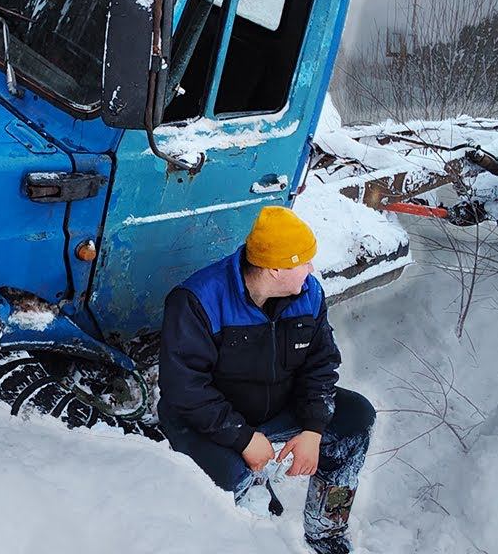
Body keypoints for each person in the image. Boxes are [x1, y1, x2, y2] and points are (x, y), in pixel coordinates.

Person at [158, 206, 375, 554]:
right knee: (232, 481)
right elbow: (184, 389)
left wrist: (313, 428)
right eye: (304, 262)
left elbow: (320, 364)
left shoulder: (308, 294)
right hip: (207, 423)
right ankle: (253, 523)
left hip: (275, 409)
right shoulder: (199, 300)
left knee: (357, 417)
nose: (311, 269)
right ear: (275, 269)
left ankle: (326, 531)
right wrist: (243, 438)